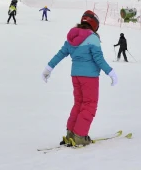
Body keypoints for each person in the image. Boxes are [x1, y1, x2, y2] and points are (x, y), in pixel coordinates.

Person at [41, 10, 117, 147]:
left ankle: (71, 133)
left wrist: (48, 68)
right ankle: (80, 136)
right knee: (89, 105)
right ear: (94, 24)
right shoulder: (92, 38)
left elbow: (61, 54)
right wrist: (110, 72)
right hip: (90, 77)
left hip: (75, 76)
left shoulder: (72, 37)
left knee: (79, 103)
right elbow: (98, 59)